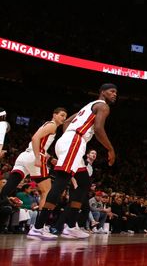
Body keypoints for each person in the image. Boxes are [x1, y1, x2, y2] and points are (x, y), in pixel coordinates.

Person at [28, 83, 117, 241]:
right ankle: (38, 227)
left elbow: (67, 121)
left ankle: (70, 226)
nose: (114, 94)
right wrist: (110, 149)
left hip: (71, 141)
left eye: (116, 92)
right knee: (61, 182)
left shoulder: (88, 106)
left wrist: (66, 137)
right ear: (102, 92)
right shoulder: (103, 107)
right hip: (74, 142)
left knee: (84, 183)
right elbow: (98, 129)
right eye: (111, 91)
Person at [0, 107, 68, 203]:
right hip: (35, 156)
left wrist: (50, 158)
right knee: (46, 192)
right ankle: (42, 218)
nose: (64, 118)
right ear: (54, 115)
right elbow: (35, 138)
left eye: (65, 116)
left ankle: (1, 201)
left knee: (12, 183)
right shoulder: (52, 126)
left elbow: (39, 144)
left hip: (24, 156)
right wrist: (37, 158)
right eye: (62, 115)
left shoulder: (47, 125)